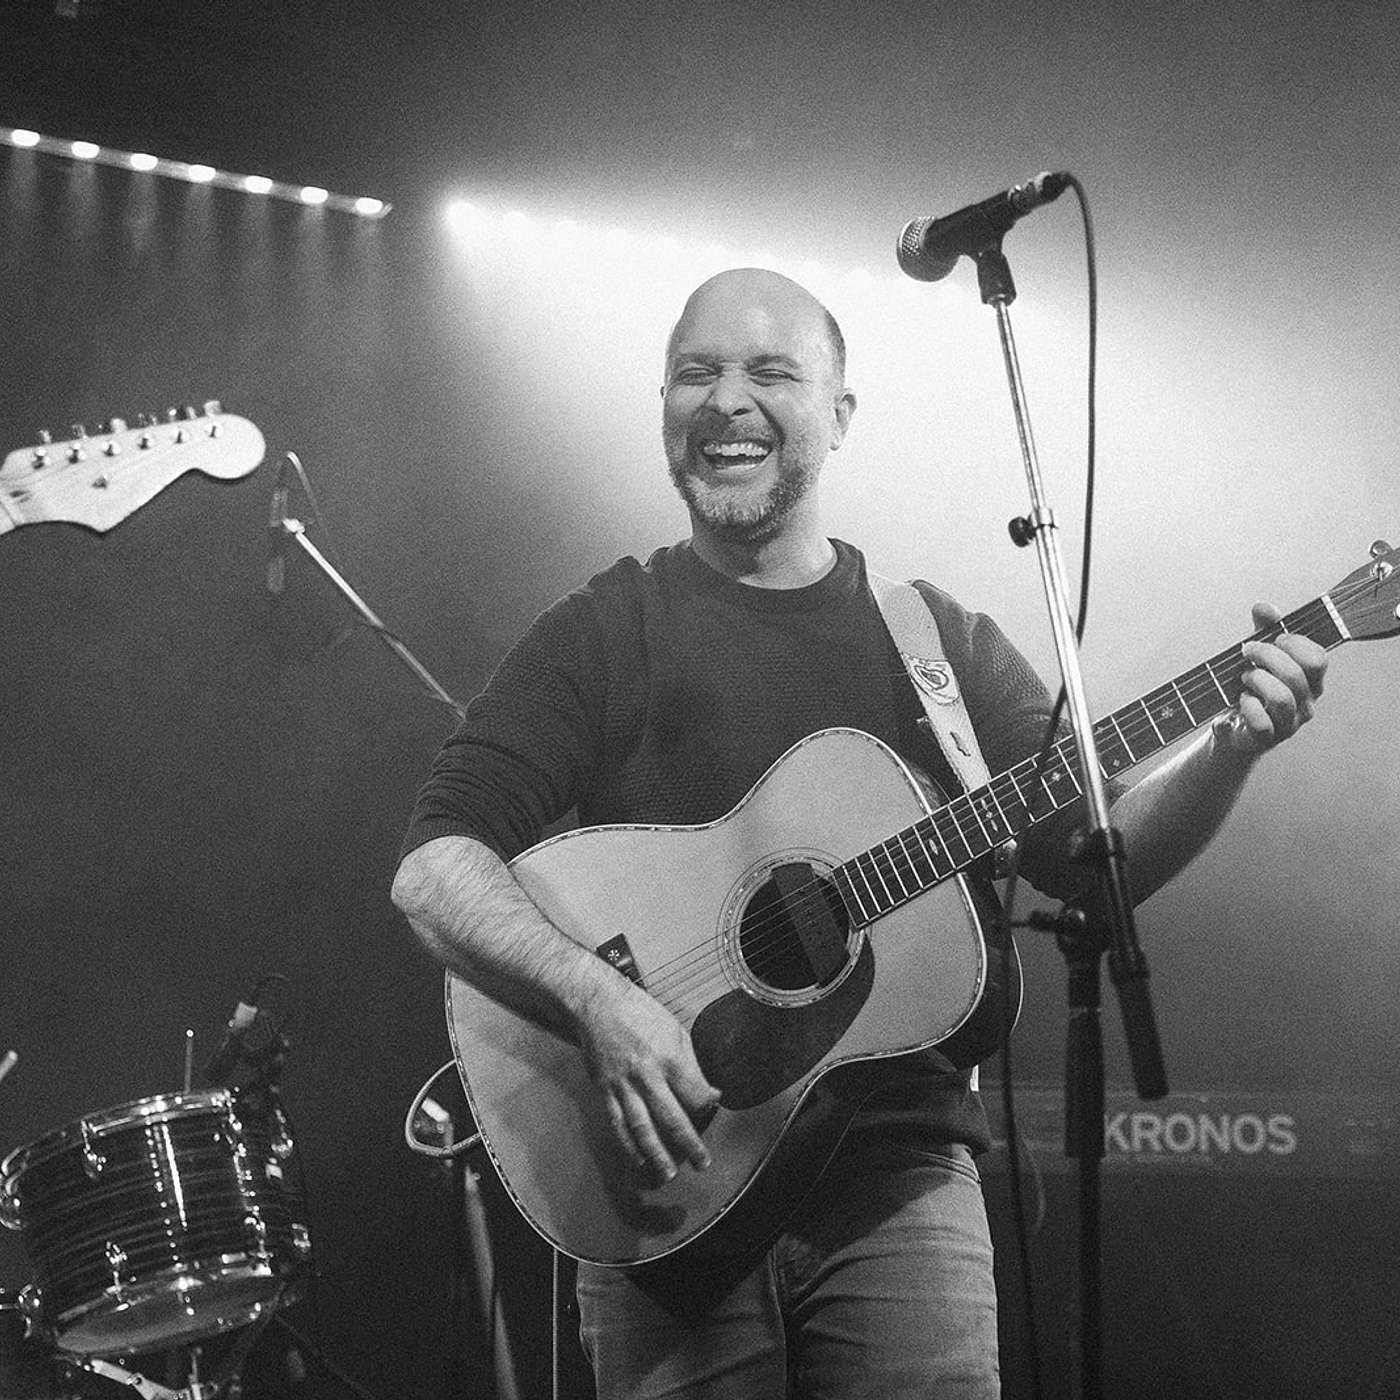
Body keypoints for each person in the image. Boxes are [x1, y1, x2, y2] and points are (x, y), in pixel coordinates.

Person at [392, 268, 1326, 1398]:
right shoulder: (604, 630)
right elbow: (434, 867)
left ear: (838, 416)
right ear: (664, 408)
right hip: (667, 1197)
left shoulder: (936, 644)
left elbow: (1095, 860)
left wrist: (1229, 749)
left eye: (770, 372)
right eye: (697, 372)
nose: (726, 399)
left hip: (899, 1187)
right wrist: (599, 1001)